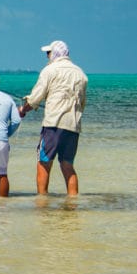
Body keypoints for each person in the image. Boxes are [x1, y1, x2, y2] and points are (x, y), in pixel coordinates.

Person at [19, 40, 88, 196]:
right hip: (73, 126)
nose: (47, 56)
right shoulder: (81, 74)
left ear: (55, 53)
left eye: (48, 53)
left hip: (53, 125)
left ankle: (42, 201)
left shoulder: (49, 70)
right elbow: (82, 104)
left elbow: (35, 98)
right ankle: (72, 201)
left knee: (44, 162)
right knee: (67, 165)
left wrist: (23, 109)